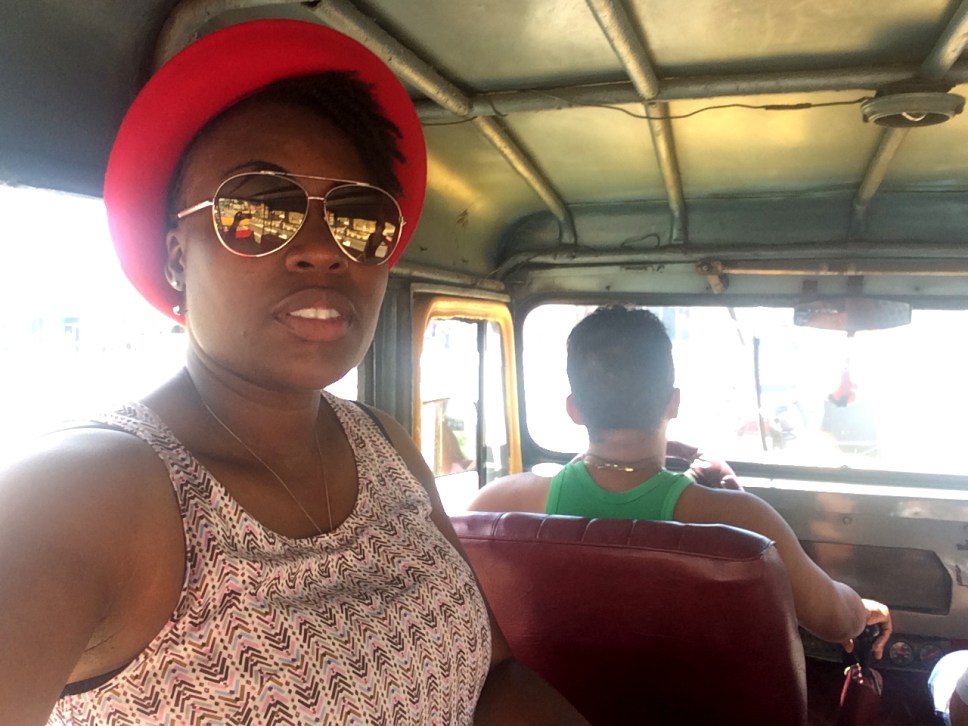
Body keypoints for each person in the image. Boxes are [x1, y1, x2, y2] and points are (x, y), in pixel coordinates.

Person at [0, 19, 586, 725]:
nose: (321, 251)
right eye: (257, 210)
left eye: (359, 218)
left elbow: (493, 678)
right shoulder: (86, 491)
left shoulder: (387, 447)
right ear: (177, 256)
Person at [469, 305, 893, 658]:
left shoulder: (495, 506)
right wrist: (861, 608)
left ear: (574, 410)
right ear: (674, 401)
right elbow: (835, 621)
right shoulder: (742, 520)